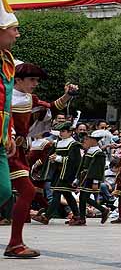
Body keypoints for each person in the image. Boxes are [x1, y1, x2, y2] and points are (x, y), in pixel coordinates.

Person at [6, 61, 74, 257]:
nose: (36, 83)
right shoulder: (5, 97)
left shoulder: (30, 99)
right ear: (17, 80)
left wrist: (68, 95)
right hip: (6, 147)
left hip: (16, 150)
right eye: (32, 79)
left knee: (26, 191)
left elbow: (52, 107)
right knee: (18, 191)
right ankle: (15, 243)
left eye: (37, 80)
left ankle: (15, 243)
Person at [48, 122, 83, 224]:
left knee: (57, 193)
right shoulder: (58, 143)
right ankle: (77, 215)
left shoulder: (74, 144)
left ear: (70, 132)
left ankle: (47, 216)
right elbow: (54, 154)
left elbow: (74, 161)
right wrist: (53, 158)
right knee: (67, 194)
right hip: (58, 172)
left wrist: (58, 158)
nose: (61, 133)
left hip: (67, 173)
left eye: (63, 131)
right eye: (60, 131)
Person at [75, 131, 111, 224]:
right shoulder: (88, 151)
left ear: (94, 140)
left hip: (92, 178)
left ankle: (102, 210)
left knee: (84, 197)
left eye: (87, 139)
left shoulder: (98, 153)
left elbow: (98, 169)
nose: (85, 140)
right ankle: (83, 218)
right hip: (84, 177)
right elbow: (82, 165)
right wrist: (78, 177)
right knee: (83, 197)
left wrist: (95, 182)